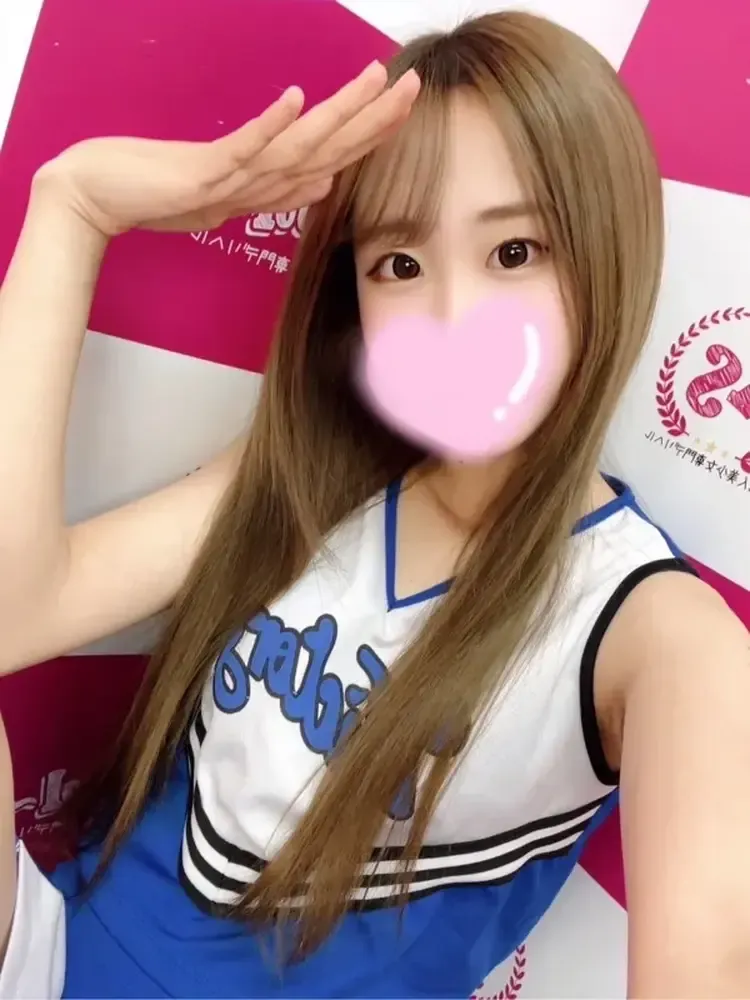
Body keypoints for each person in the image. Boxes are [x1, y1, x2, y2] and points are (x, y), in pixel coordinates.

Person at [0, 10, 749, 999]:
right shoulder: (319, 473)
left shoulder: (656, 633)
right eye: (400, 264)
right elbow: (15, 610)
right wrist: (74, 207)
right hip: (51, 957)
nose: (453, 319)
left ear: (609, 252)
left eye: (514, 251)